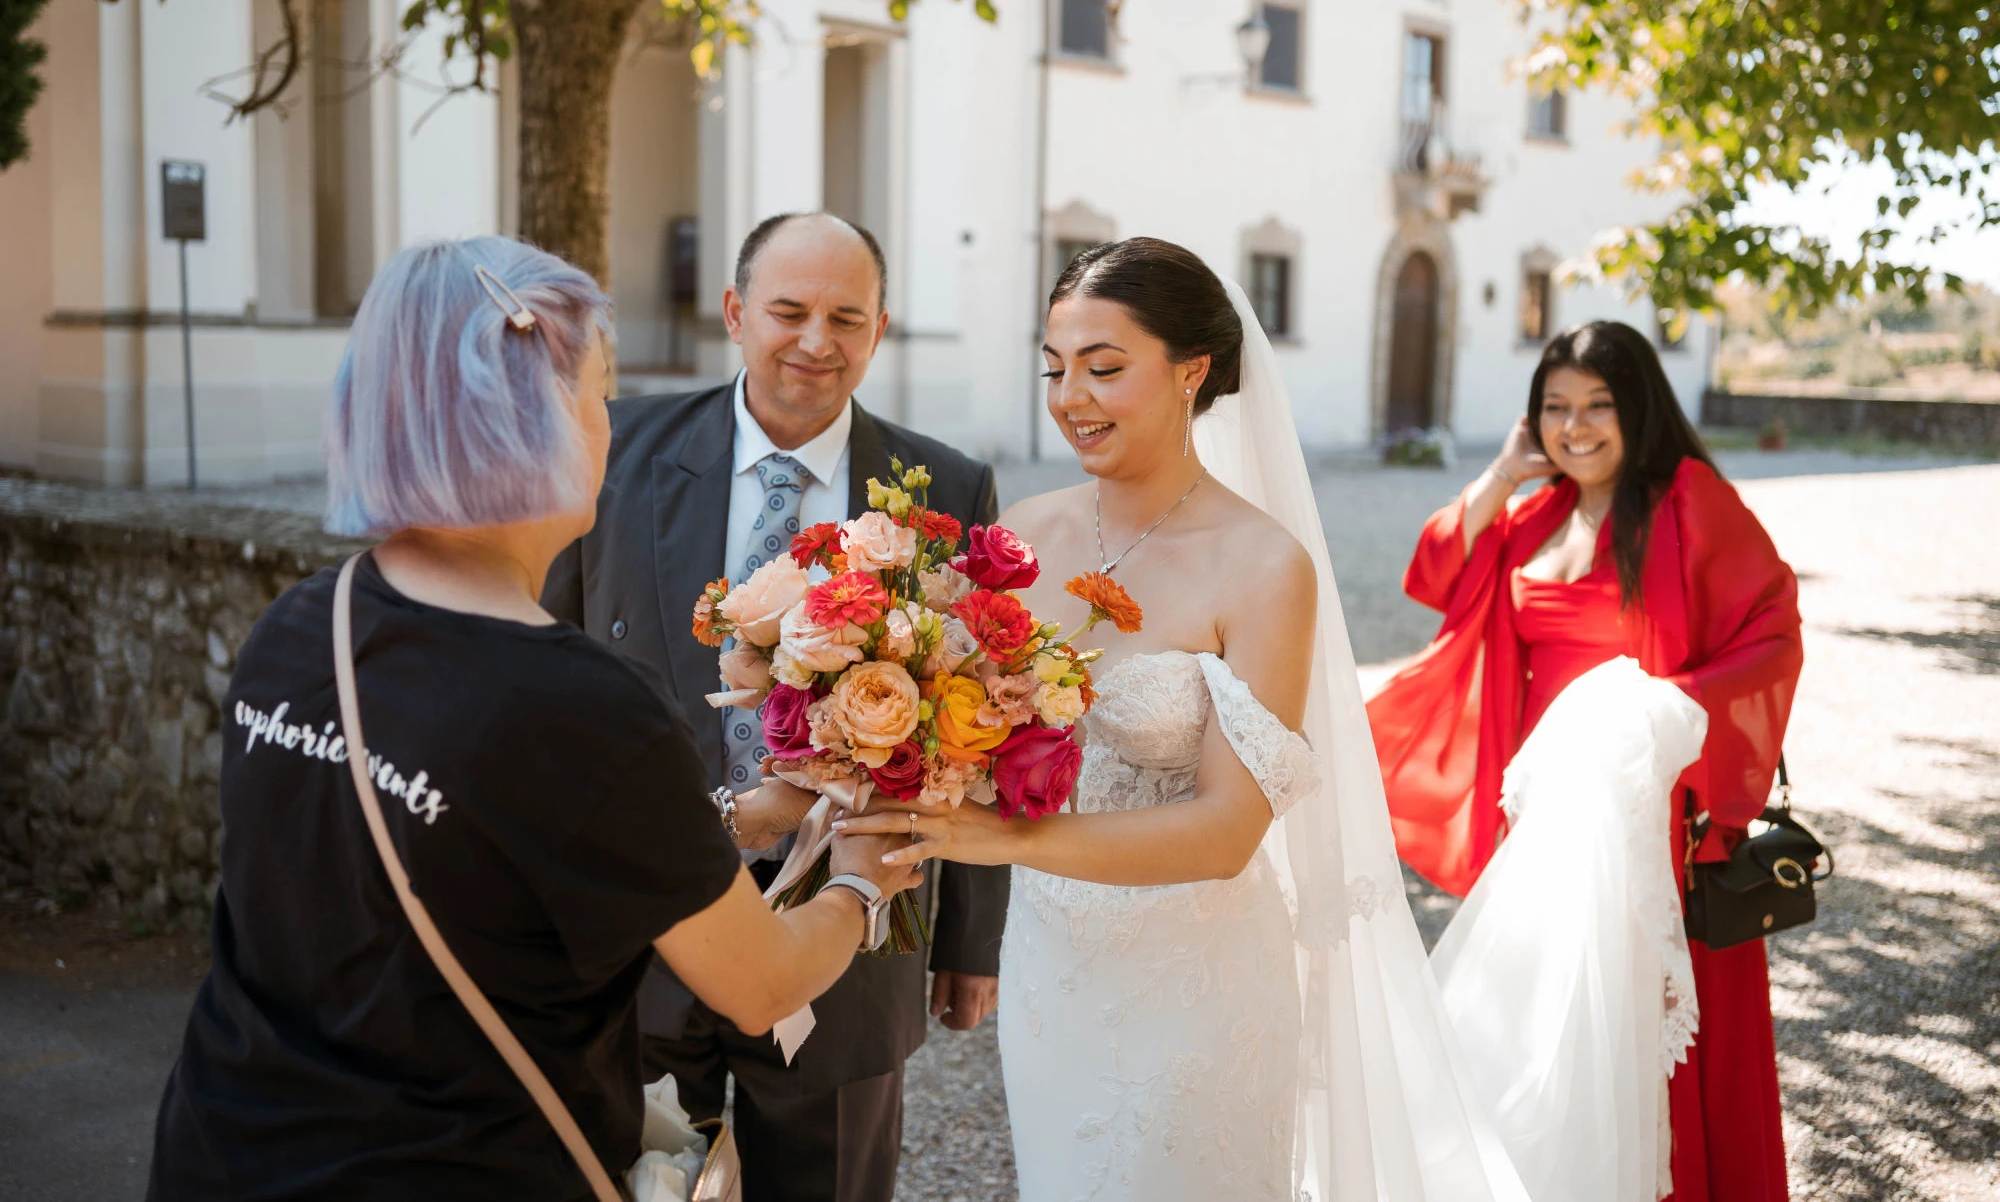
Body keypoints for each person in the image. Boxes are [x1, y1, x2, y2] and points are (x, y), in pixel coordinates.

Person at [146, 237, 918, 1200]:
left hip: (228, 1148)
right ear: (533, 421)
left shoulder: (301, 624)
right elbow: (759, 984)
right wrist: (858, 882)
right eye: (598, 392)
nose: (608, 422)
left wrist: (723, 821)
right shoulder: (585, 708)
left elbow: (488, 843)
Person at [836, 238, 1528, 1201]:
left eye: (1105, 367)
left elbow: (1226, 831)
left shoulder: (1263, 565)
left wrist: (997, 838)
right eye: (1055, 367)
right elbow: (941, 711)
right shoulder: (1024, 535)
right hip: (1053, 966)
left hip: (1196, 979)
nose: (1071, 395)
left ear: (1192, 371)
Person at [542, 212, 1009, 1202]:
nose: (815, 340)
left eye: (845, 316)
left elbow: (981, 718)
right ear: (734, 313)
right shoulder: (614, 451)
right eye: (788, 311)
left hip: (848, 929)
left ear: (878, 328)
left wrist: (969, 939)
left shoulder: (948, 489)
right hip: (642, 927)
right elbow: (541, 672)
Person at [1368, 320, 1803, 1202]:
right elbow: (1434, 574)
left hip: (1653, 818)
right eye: (1556, 407)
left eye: (1599, 405)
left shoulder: (1689, 500)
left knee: (1650, 1044)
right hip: (1545, 824)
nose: (1577, 427)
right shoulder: (1535, 510)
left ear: (1638, 406)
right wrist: (1501, 472)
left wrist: (1667, 714)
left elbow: (1773, 627)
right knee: (1546, 1036)